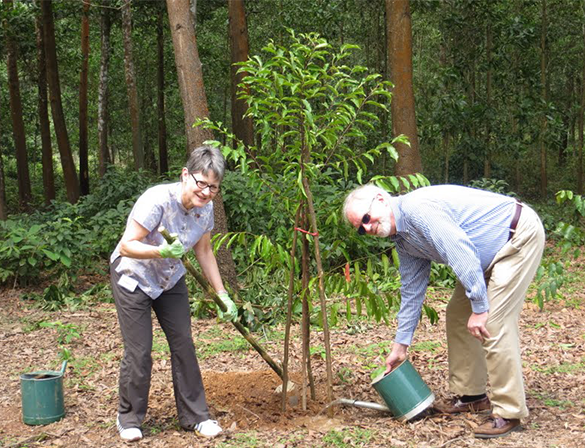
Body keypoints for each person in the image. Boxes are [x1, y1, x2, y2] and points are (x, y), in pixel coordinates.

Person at [343, 184, 545, 439]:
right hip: (481, 257)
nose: (368, 228)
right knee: (458, 315)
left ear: (381, 199)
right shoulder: (403, 240)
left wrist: (481, 308)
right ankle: (473, 395)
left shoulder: (418, 210)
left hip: (516, 239)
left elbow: (460, 251)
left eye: (366, 219)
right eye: (361, 228)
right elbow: (412, 290)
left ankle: (510, 411)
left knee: (493, 321)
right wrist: (400, 345)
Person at [109, 145, 238, 442]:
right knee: (140, 351)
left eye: (213, 187)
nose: (205, 192)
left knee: (184, 344)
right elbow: (127, 245)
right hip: (134, 277)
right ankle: (128, 418)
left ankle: (196, 416)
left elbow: (204, 251)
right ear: (185, 175)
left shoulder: (205, 210)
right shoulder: (156, 200)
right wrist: (160, 250)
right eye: (201, 183)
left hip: (169, 280)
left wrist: (222, 294)